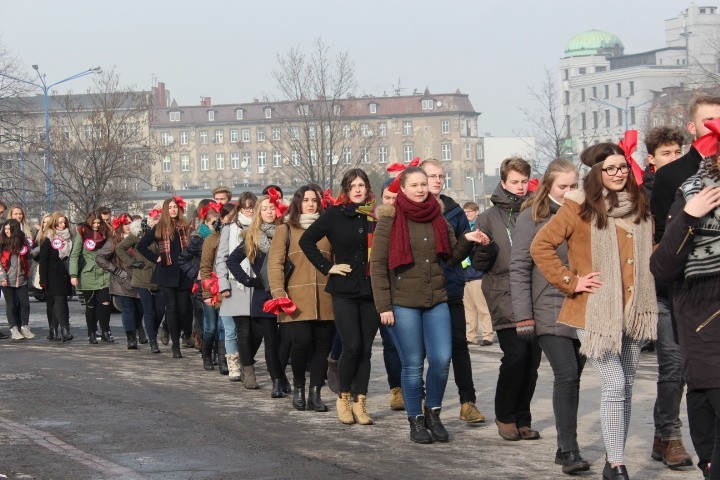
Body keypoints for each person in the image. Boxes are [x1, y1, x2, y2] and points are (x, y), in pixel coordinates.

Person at [531, 142, 658, 480]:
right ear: (597, 173)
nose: (618, 173)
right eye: (610, 168)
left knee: (627, 384)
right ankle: (617, 464)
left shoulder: (640, 204)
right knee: (614, 383)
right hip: (593, 310)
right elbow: (540, 246)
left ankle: (612, 459)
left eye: (622, 167)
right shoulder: (578, 207)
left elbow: (651, 250)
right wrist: (570, 280)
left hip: (633, 309)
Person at [371, 167, 488, 443]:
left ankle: (433, 412)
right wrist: (384, 306)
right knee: (412, 364)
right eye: (415, 184)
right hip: (402, 302)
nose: (421, 189)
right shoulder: (390, 219)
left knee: (441, 359)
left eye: (424, 184)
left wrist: (468, 241)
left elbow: (450, 258)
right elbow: (377, 266)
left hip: (436, 299)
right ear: (404, 188)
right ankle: (416, 420)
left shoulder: (438, 218)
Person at [650, 97, 720, 477]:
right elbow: (663, 258)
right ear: (693, 126)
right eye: (708, 121)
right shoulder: (679, 181)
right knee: (680, 375)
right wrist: (690, 215)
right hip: (693, 312)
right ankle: (669, 435)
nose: (715, 130)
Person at [509, 160, 589, 474]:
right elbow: (519, 268)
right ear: (548, 186)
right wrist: (523, 317)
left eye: (573, 186)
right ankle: (569, 450)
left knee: (574, 378)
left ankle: (563, 447)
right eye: (562, 187)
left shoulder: (585, 213)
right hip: (547, 307)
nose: (569, 192)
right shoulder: (533, 216)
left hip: (581, 305)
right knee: (567, 374)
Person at [299, 168, 379, 425]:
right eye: (353, 185)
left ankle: (360, 402)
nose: (358, 189)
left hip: (371, 290)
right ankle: (343, 397)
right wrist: (327, 267)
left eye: (362, 185)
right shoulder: (334, 215)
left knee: (365, 350)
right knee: (351, 345)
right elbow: (307, 241)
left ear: (367, 188)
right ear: (345, 189)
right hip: (344, 290)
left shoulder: (374, 217)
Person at [473, 157, 541, 441]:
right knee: (515, 355)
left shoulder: (538, 210)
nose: (520, 187)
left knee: (532, 359)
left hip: (534, 290)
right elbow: (478, 263)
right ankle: (505, 415)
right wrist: (485, 249)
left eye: (524, 181)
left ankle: (523, 417)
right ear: (503, 182)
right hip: (502, 290)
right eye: (514, 182)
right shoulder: (488, 217)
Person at [642, 126, 694, 468]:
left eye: (678, 152)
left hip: (693, 288)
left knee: (695, 367)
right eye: (666, 154)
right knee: (673, 366)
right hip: (661, 292)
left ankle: (663, 437)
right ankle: (671, 435)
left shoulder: (695, 187)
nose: (674, 159)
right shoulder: (641, 193)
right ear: (652, 159)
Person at [420, 158, 486, 425]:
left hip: (451, 287)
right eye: (431, 176)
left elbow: (461, 249)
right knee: (428, 352)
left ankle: (467, 402)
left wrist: (472, 247)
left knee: (459, 347)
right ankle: (426, 403)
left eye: (440, 176)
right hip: (422, 290)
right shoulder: (412, 210)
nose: (437, 181)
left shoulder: (454, 210)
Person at [267, 185, 334, 412]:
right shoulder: (286, 229)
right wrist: (278, 293)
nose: (311, 204)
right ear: (298, 202)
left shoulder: (328, 229)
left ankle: (315, 393)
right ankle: (298, 388)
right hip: (295, 298)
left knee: (322, 347)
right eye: (306, 200)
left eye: (314, 200)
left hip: (325, 297)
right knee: (301, 343)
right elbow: (275, 264)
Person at [227, 195, 288, 398]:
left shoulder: (284, 232)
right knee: (270, 340)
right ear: (259, 213)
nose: (270, 212)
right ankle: (276, 382)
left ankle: (282, 376)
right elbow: (233, 261)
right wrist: (249, 280)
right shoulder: (252, 236)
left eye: (273, 208)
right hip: (264, 296)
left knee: (287, 341)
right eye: (265, 209)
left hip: (287, 293)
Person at [137, 197, 194, 358]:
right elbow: (141, 246)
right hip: (166, 272)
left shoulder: (185, 226)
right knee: (172, 309)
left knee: (183, 310)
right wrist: (156, 258)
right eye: (170, 207)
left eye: (175, 207)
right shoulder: (159, 227)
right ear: (165, 210)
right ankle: (175, 345)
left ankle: (168, 328)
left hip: (183, 273)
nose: (173, 210)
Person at [216, 193, 261, 388]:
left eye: (253, 207)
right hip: (237, 284)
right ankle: (247, 370)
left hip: (258, 284)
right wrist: (223, 284)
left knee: (257, 331)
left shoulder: (261, 227)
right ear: (240, 208)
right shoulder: (230, 229)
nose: (250, 210)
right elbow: (222, 258)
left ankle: (246, 360)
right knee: (242, 330)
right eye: (246, 207)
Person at [179, 200, 226, 372]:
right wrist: (195, 274)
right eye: (213, 222)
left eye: (219, 221)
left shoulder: (224, 237)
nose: (217, 225)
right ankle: (207, 356)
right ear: (205, 222)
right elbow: (182, 259)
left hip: (222, 286)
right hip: (205, 287)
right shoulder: (198, 239)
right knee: (210, 325)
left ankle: (222, 360)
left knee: (222, 325)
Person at [116, 216, 164, 354]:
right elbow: (120, 248)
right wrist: (131, 262)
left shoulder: (160, 235)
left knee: (160, 310)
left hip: (159, 276)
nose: (155, 224)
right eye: (153, 221)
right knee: (148, 309)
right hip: (142, 275)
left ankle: (152, 331)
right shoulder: (137, 234)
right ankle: (153, 342)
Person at [96, 213, 143, 350]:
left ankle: (137, 330)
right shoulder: (114, 241)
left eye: (130, 223)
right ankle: (131, 338)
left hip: (138, 279)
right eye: (125, 223)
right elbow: (100, 258)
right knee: (128, 309)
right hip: (121, 279)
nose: (128, 226)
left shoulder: (139, 238)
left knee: (140, 310)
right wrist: (115, 270)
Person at [69, 211, 112, 344]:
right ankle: (91, 332)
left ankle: (105, 331)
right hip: (88, 274)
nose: (96, 225)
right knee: (91, 305)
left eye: (99, 222)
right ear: (89, 222)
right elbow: (75, 255)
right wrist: (73, 274)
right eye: (94, 222)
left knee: (105, 303)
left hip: (104, 273)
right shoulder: (82, 233)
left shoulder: (106, 233)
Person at [38, 212, 73, 343]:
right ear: (54, 224)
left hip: (64, 273)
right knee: (59, 300)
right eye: (59, 223)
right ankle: (64, 329)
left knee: (59, 301)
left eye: (64, 222)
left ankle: (53, 329)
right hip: (52, 274)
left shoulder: (69, 237)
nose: (62, 225)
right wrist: (43, 279)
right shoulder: (48, 238)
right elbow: (43, 260)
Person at [462, 201, 493, 346]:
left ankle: (487, 335)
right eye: (465, 212)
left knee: (482, 307)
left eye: (470, 211)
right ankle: (471, 336)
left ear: (477, 212)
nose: (467, 214)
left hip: (477, 275)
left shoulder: (479, 229)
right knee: (469, 309)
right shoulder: (465, 229)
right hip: (466, 275)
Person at [0, 219, 34, 340]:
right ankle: (14, 329)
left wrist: (39, 248)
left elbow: (29, 255)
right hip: (7, 279)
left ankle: (24, 327)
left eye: (9, 229)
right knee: (11, 305)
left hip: (21, 279)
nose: (6, 231)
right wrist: (2, 277)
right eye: (5, 229)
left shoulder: (22, 241)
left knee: (25, 304)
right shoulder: (2, 243)